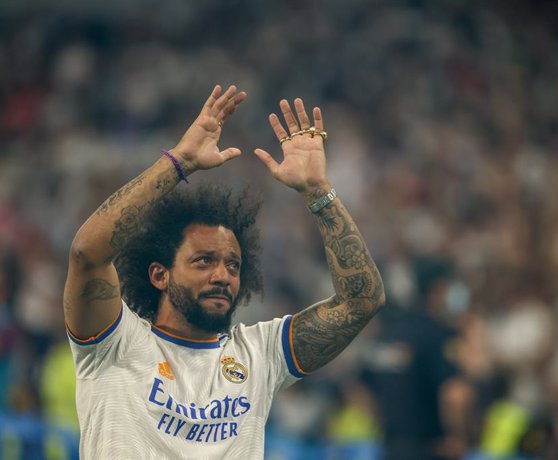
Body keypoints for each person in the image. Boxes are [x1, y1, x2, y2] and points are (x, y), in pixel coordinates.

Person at [63, 84, 385, 459]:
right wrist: (179, 161)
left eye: (233, 264)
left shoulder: (260, 355)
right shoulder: (114, 344)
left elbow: (362, 301)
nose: (223, 275)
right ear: (159, 275)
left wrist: (318, 192)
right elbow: (88, 254)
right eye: (204, 261)